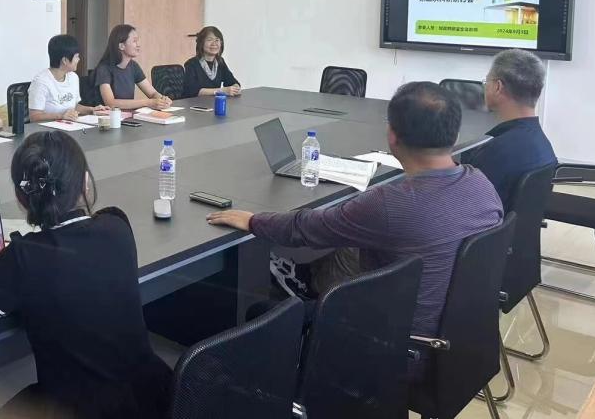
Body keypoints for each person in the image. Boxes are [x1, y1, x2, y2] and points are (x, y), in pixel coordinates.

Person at [206, 81, 503, 377]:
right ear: (454, 134)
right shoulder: (482, 185)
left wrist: (253, 221)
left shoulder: (389, 204)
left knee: (261, 315)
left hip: (397, 350)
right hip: (459, 343)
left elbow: (307, 228)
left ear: (392, 135)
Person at [0, 131, 171, 418]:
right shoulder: (117, 226)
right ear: (85, 182)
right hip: (151, 400)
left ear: (21, 199)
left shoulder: (24, 256)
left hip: (74, 408)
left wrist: (13, 300)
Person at [459, 49, 558, 203]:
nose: (485, 87)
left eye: (486, 82)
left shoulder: (494, 152)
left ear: (498, 87)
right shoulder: (542, 143)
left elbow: (460, 203)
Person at [28, 34, 109, 123]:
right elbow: (34, 116)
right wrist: (61, 116)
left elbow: (74, 107)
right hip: (47, 130)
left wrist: (92, 110)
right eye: (76, 56)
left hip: (69, 126)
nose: (79, 59)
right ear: (65, 60)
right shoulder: (41, 82)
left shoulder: (73, 77)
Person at [94, 24, 171, 111]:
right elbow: (111, 103)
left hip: (128, 116)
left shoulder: (133, 66)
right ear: (121, 46)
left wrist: (162, 99)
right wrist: (148, 102)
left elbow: (152, 93)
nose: (138, 45)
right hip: (108, 117)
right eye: (134, 41)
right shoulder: (104, 68)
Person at [182, 26, 241, 99]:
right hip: (194, 104)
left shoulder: (220, 62)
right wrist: (221, 91)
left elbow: (231, 81)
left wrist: (236, 88)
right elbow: (192, 91)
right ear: (201, 43)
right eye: (209, 40)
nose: (214, 44)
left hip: (213, 102)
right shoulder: (192, 64)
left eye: (217, 40)